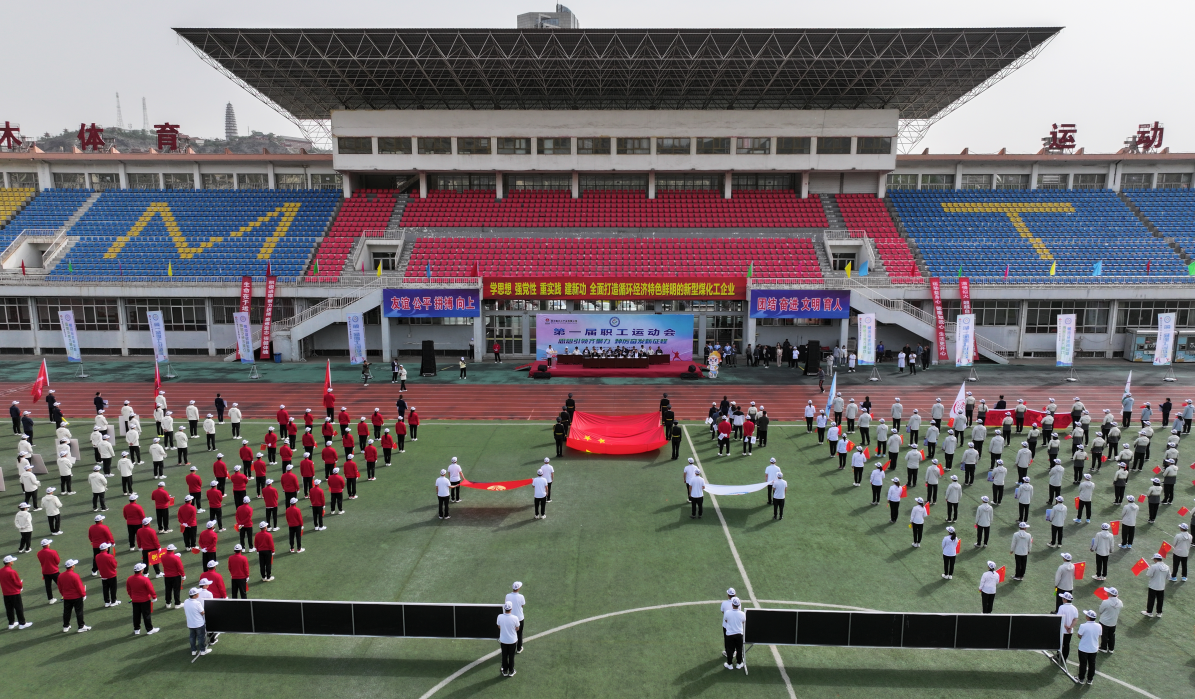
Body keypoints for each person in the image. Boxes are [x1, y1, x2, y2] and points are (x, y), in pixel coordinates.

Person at [126, 562, 159, 635]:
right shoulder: (145, 579)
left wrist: (132, 597)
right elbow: (151, 589)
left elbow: (128, 590)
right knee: (146, 615)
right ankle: (149, 629)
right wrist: (154, 597)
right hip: (145, 600)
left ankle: (136, 629)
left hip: (135, 600)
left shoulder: (129, 579)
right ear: (141, 571)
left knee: (136, 615)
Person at [1, 555, 31, 629]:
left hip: (5, 593)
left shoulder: (0, 571)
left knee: (9, 609)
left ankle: (11, 624)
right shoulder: (12, 572)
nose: (12, 562)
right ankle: (22, 623)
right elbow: (18, 583)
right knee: (19, 608)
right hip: (14, 593)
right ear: (9, 562)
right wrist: (20, 585)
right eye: (12, 561)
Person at [1074, 609, 1101, 685]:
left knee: (1083, 664)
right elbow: (1099, 635)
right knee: (1092, 664)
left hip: (1083, 648)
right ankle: (1090, 679)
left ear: (1088, 617)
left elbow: (1079, 635)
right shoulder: (1099, 626)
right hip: (1093, 648)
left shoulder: (1083, 626)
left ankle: (1081, 678)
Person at [722, 597, 747, 671]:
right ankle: (739, 664)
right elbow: (743, 621)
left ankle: (729, 664)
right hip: (739, 634)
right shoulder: (742, 614)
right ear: (739, 605)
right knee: (739, 649)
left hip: (730, 634)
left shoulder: (727, 613)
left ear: (732, 604)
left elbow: (726, 620)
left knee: (730, 649)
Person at [183, 587, 210, 656]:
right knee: (201, 637)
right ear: (194, 595)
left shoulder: (186, 601)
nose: (198, 594)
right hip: (199, 624)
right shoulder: (197, 603)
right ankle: (203, 651)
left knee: (192, 637)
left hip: (190, 624)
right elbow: (202, 612)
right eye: (197, 593)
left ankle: (193, 650)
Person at [498, 602, 520, 677]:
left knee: (504, 655)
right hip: (512, 640)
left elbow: (499, 626)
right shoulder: (515, 618)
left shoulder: (500, 616)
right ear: (511, 608)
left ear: (504, 608)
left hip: (503, 640)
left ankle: (504, 670)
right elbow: (517, 628)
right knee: (511, 656)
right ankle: (511, 671)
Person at [1143, 553, 1169, 618]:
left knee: (1151, 599)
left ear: (1155, 559)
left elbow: (1149, 574)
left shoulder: (1153, 566)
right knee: (1160, 600)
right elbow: (1169, 577)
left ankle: (1149, 612)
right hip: (1161, 587)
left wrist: (1149, 569)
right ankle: (1159, 613)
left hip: (1153, 586)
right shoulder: (1167, 567)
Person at [1097, 587, 1122, 654]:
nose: (1107, 593)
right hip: (1113, 622)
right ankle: (1111, 648)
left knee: (1104, 635)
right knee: (1111, 635)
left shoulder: (1105, 602)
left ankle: (1104, 648)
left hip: (1104, 621)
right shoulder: (1120, 602)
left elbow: (1100, 611)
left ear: (1110, 594)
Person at [1056, 592, 1078, 664]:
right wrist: (1070, 627)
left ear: (1065, 599)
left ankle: (1058, 657)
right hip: (1069, 631)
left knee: (1060, 644)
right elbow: (1075, 619)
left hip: (1062, 630)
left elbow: (1059, 618)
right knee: (1067, 644)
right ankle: (1064, 659)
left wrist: (1065, 626)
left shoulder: (1062, 607)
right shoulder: (1074, 608)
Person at [505, 581, 526, 653]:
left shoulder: (507, 596)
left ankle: (510, 648)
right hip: (519, 618)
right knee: (519, 633)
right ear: (518, 588)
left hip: (510, 618)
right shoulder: (521, 596)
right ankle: (519, 648)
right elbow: (522, 605)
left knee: (510, 633)